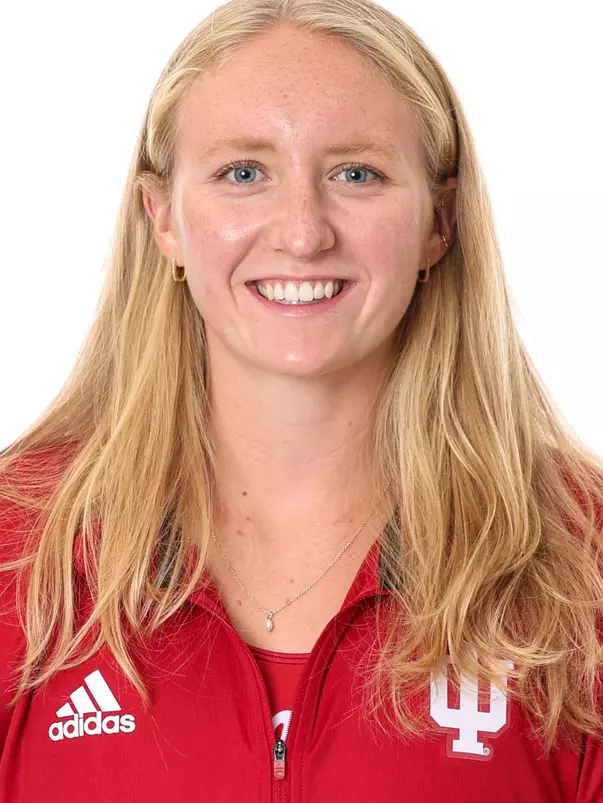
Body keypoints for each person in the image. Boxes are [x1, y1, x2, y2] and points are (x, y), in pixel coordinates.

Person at [1, 0, 603, 800]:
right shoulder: (20, 555)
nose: (301, 231)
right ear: (163, 221)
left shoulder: (581, 567)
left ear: (439, 222)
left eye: (356, 173)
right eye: (242, 173)